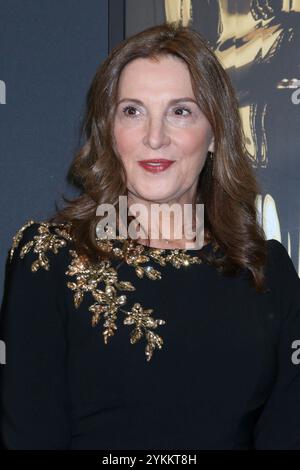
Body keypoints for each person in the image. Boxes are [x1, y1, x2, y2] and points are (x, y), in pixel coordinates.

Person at [1, 21, 300, 450]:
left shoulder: (267, 272)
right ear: (110, 131)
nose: (154, 137)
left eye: (181, 111)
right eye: (133, 111)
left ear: (215, 133)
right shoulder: (50, 259)